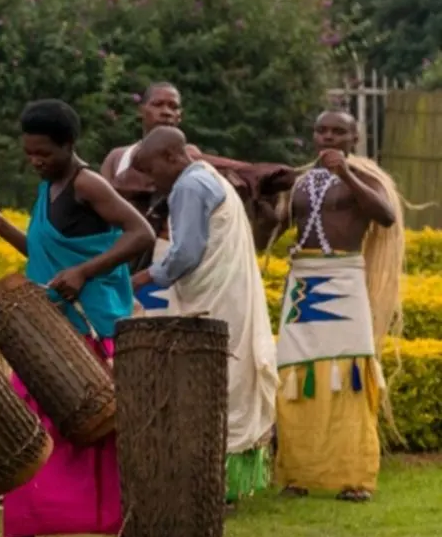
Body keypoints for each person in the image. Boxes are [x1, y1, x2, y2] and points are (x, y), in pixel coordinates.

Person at [0, 100, 153, 537]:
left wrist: (86, 271)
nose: (36, 160)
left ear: (69, 146)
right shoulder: (47, 186)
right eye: (29, 153)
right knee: (29, 432)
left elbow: (142, 233)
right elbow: (46, 257)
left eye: (44, 153)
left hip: (88, 332)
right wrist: (3, 227)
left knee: (103, 436)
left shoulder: (89, 184)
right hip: (47, 333)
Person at [129, 127, 278, 502]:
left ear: (171, 158)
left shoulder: (189, 187)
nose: (151, 181)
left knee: (211, 381)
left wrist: (143, 278)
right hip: (229, 294)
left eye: (151, 171)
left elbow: (185, 254)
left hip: (215, 301)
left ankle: (213, 483)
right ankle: (226, 484)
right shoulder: (210, 177)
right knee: (228, 379)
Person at [274, 110, 402, 502]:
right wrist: (258, 196)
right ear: (313, 136)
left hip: (344, 280)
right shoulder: (300, 182)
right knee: (293, 374)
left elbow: (386, 216)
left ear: (354, 139)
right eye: (321, 130)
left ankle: (353, 477)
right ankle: (295, 473)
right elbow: (273, 228)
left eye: (338, 132)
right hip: (302, 282)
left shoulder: (365, 179)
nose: (328, 137)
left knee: (351, 375)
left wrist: (346, 174)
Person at [103, 81, 294, 258]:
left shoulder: (190, 159)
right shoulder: (119, 156)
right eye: (158, 104)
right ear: (141, 111)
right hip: (119, 252)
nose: (166, 112)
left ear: (180, 116)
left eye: (173, 107)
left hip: (166, 255)